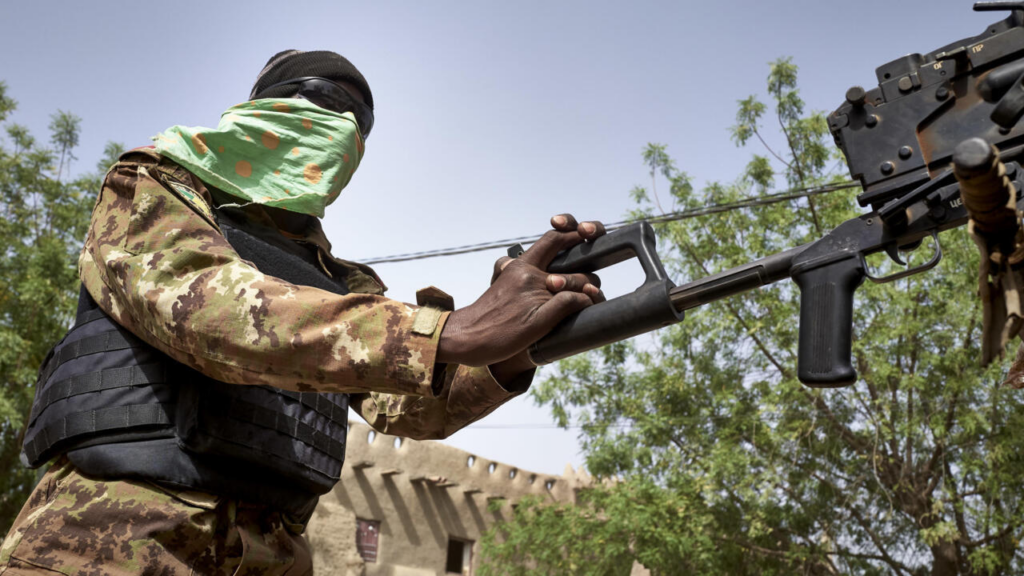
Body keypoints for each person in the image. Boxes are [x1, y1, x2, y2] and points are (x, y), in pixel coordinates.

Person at [0, 50, 605, 575]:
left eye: (359, 121)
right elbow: (209, 310)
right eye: (322, 99)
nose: (342, 125)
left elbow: (409, 410)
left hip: (274, 555)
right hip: (110, 542)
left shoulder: (343, 283)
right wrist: (450, 331)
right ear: (262, 107)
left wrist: (519, 341)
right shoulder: (153, 188)